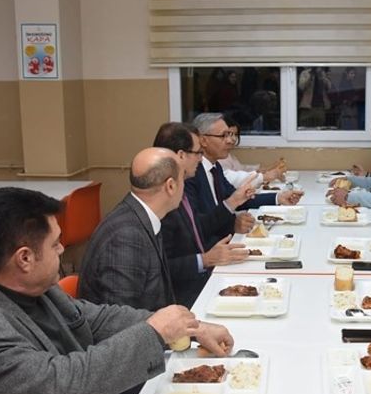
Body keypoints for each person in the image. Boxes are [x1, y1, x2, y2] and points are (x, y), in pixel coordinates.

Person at [0, 187, 234, 394]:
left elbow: (98, 320)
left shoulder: (33, 288)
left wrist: (189, 327)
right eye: (55, 244)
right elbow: (64, 387)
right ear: (24, 258)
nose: (62, 249)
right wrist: (155, 334)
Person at [153, 123, 250, 307]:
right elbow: (160, 267)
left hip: (202, 276)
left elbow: (197, 230)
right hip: (182, 296)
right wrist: (206, 260)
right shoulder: (162, 200)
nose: (200, 159)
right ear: (181, 156)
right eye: (198, 153)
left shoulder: (181, 188)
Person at [79, 148, 184, 311]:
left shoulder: (139, 216)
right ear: (170, 186)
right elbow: (121, 321)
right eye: (183, 178)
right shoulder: (126, 236)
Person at [186, 113, 303, 247]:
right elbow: (196, 228)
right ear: (203, 140)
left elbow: (238, 199)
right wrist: (231, 226)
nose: (230, 140)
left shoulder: (215, 166)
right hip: (211, 250)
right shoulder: (191, 174)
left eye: (231, 135)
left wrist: (278, 198)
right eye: (224, 135)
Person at [218, 115, 285, 188]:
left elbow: (242, 169)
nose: (234, 139)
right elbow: (232, 179)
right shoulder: (219, 159)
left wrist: (263, 170)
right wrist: (264, 176)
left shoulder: (227, 155)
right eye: (229, 134)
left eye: (235, 134)